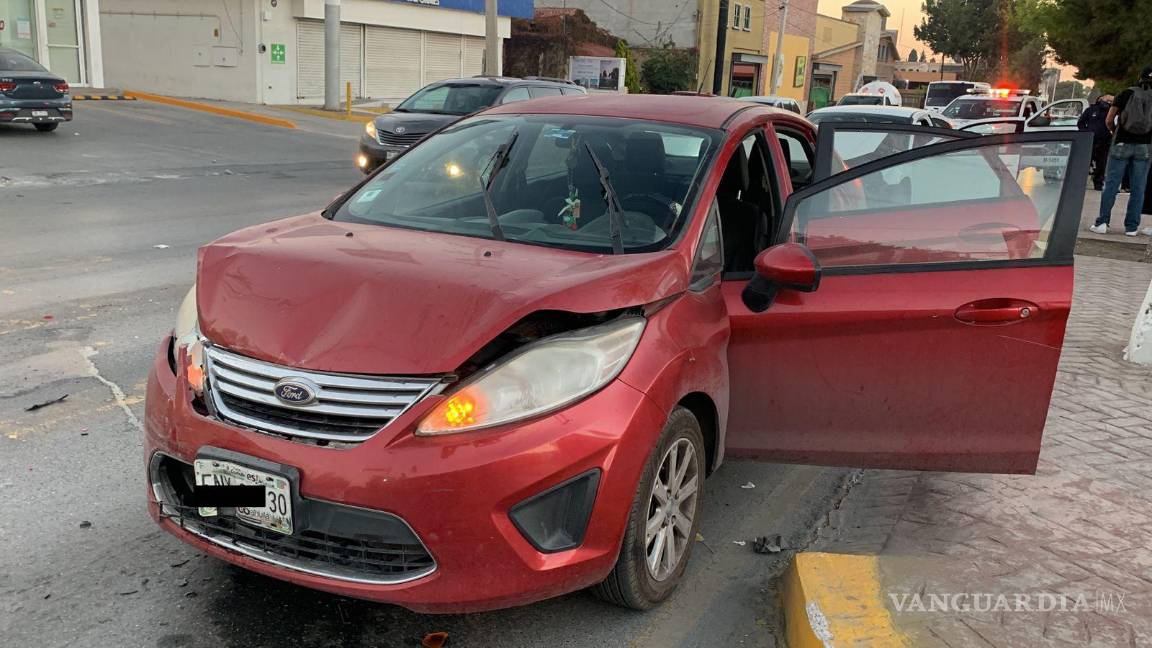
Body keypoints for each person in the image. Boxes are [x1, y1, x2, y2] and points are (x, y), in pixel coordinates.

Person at [1091, 66, 1152, 236]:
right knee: (1139, 188)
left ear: (1140, 77)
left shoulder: (1126, 93)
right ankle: (1131, 227)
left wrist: (1114, 131)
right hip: (1145, 147)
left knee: (1111, 184)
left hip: (1121, 143)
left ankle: (1102, 222)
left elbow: (1109, 119)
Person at [1078, 94, 1113, 190]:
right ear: (1100, 99)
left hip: (1104, 142)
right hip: (1090, 141)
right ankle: (1080, 182)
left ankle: (1098, 183)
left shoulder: (1111, 111)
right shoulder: (1090, 110)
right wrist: (1086, 133)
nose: (1108, 101)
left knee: (1101, 164)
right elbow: (1081, 123)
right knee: (1085, 163)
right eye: (1106, 98)